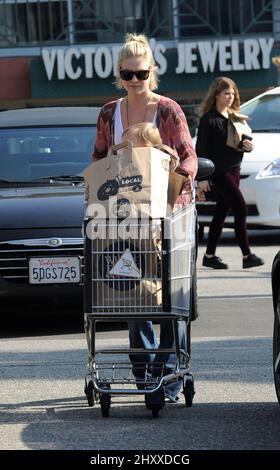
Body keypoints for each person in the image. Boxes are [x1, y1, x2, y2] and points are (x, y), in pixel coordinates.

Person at [92, 32, 197, 402]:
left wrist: (175, 188)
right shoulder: (109, 113)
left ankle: (166, 376)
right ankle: (145, 372)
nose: (135, 81)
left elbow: (187, 156)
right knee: (135, 297)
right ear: (119, 74)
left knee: (171, 301)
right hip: (126, 221)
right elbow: (99, 160)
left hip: (168, 220)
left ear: (153, 71)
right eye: (128, 74)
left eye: (141, 73)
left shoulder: (167, 110)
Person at [196, 76, 264, 270]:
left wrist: (247, 146)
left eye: (233, 93)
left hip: (235, 170)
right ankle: (247, 255)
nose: (231, 96)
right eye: (227, 93)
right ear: (216, 94)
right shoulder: (208, 120)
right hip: (219, 173)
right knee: (241, 208)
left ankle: (209, 256)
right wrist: (203, 178)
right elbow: (201, 149)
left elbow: (239, 143)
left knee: (220, 214)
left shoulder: (235, 117)